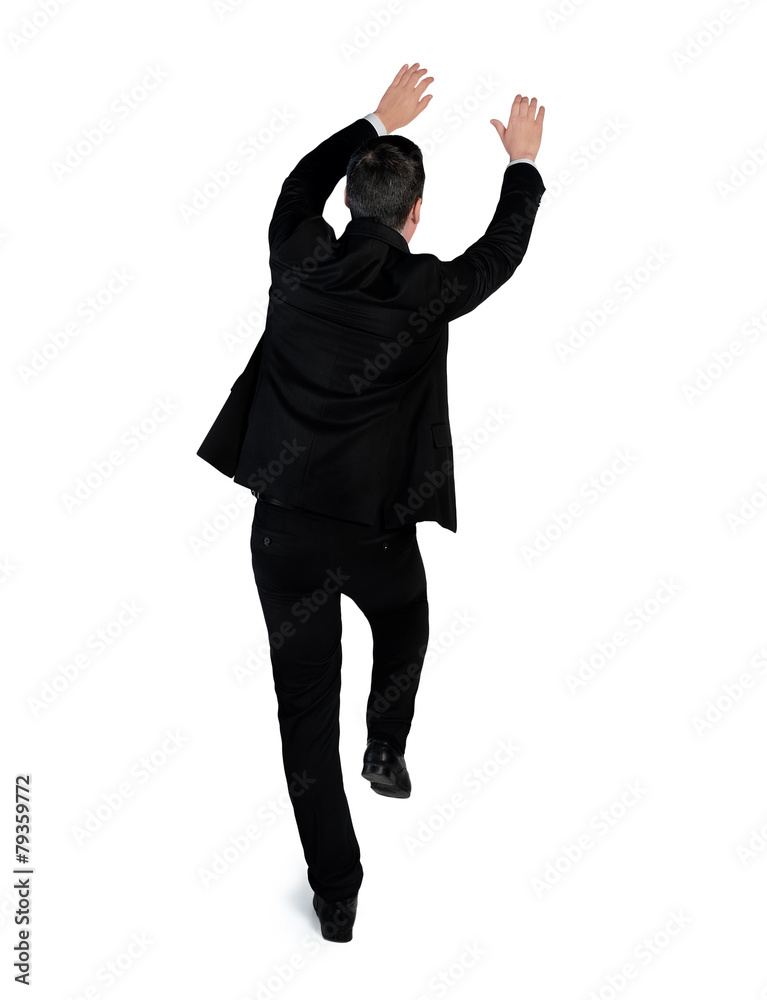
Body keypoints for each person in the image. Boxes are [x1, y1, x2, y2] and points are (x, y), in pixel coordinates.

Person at [196, 63, 546, 942]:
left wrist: (372, 122)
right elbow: (500, 255)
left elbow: (294, 185)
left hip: (282, 534)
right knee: (405, 619)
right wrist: (522, 166)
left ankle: (335, 893)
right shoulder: (423, 291)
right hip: (374, 537)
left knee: (303, 716)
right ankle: (386, 743)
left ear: (348, 203)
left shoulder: (298, 254)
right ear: (415, 214)